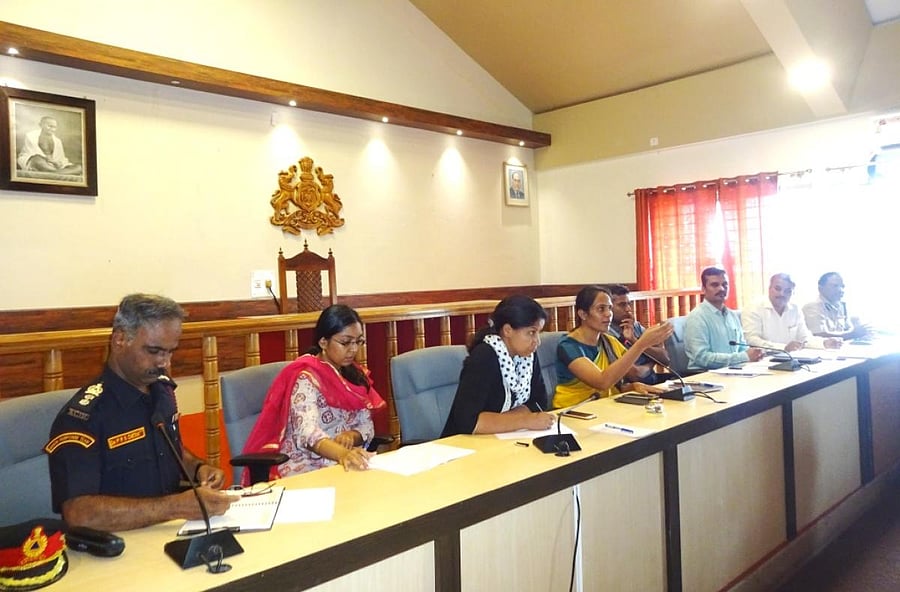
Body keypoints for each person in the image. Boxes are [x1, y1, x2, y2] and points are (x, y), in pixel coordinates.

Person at [45, 294, 233, 532]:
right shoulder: (83, 417)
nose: (164, 362)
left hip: (170, 530)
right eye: (154, 351)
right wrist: (174, 507)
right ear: (120, 339)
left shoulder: (161, 390)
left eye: (170, 351)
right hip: (119, 543)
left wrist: (198, 469)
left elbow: (166, 448)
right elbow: (79, 515)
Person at [242, 305, 385, 478]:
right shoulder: (306, 378)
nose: (354, 349)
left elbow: (367, 425)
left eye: (358, 341)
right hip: (307, 466)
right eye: (345, 342)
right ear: (323, 342)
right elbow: (307, 433)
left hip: (346, 462)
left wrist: (352, 435)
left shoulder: (354, 375)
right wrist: (342, 454)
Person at [441, 295, 555, 436]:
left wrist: (515, 421)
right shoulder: (484, 356)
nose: (537, 341)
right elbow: (468, 422)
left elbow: (539, 402)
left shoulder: (527, 355)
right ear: (507, 330)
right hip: (463, 442)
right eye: (531, 333)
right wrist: (524, 420)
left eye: (538, 333)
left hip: (506, 437)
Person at [553, 286, 674, 408]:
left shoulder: (609, 341)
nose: (608, 314)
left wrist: (633, 386)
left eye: (609, 308)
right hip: (573, 410)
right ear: (583, 314)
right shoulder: (569, 345)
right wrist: (641, 344)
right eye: (601, 309)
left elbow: (624, 378)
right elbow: (602, 383)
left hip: (603, 406)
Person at [684, 267, 764, 369]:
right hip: (706, 374)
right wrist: (744, 357)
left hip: (735, 371)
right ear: (703, 289)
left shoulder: (732, 315)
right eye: (715, 285)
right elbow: (702, 358)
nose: (721, 289)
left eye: (725, 284)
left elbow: (741, 347)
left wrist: (754, 354)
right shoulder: (697, 318)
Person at [743, 273, 842, 352]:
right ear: (769, 288)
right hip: (763, 360)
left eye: (788, 291)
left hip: (791, 358)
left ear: (793, 293)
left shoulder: (795, 309)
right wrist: (783, 348)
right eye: (777, 289)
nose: (782, 294)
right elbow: (751, 340)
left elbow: (804, 338)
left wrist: (824, 343)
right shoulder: (754, 308)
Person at [607, 284, 671, 384]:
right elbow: (636, 375)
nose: (628, 309)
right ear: (609, 308)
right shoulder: (607, 334)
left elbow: (665, 359)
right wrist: (651, 363)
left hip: (653, 380)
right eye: (622, 305)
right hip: (633, 387)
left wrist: (633, 340)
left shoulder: (635, 325)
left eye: (629, 304)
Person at [802, 272, 872, 340]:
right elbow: (819, 335)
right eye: (835, 286)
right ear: (820, 288)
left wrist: (862, 332)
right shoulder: (811, 308)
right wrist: (852, 334)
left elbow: (847, 330)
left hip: (840, 347)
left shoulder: (841, 307)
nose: (841, 290)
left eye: (842, 287)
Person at [16, 115, 83, 175]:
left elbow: (61, 158)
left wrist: (58, 163)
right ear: (41, 125)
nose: (52, 129)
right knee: (36, 159)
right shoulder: (31, 135)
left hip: (54, 165)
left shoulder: (57, 141)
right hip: (38, 161)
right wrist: (50, 161)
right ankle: (61, 173)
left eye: (54, 127)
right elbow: (32, 153)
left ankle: (55, 172)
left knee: (78, 167)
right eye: (50, 126)